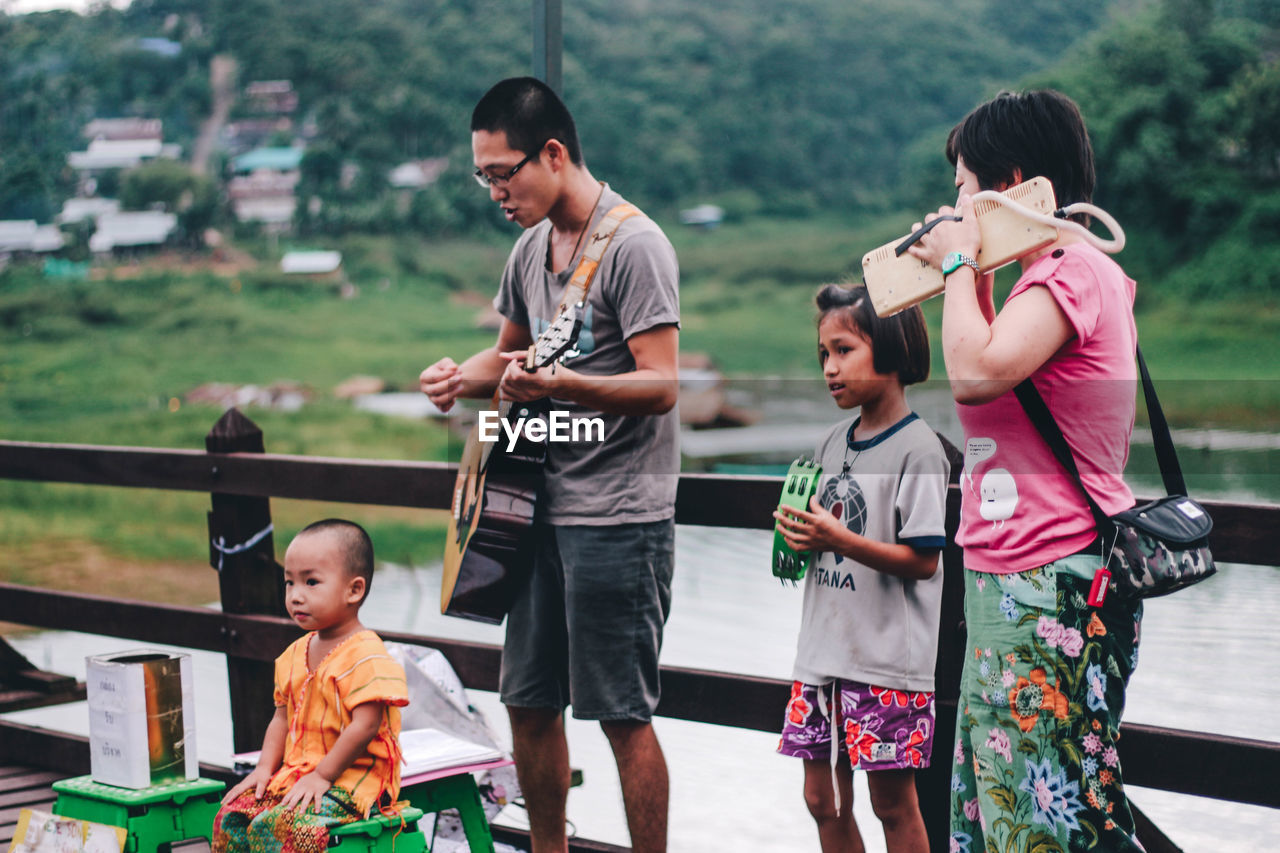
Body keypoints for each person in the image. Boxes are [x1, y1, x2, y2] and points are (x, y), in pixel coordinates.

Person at [419, 77, 679, 853]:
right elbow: (502, 354)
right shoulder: (530, 247)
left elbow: (662, 384)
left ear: (555, 153)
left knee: (622, 715)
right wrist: (452, 376)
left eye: (505, 173)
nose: (496, 192)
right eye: (484, 177)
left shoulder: (636, 244)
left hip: (618, 515)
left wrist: (564, 382)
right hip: (530, 510)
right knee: (527, 701)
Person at [906, 90, 1144, 852]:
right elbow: (980, 362)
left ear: (1007, 182)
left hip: (1054, 578)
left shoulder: (1072, 269)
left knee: (1046, 813)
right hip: (1011, 581)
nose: (956, 203)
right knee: (1000, 804)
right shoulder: (1034, 280)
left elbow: (976, 373)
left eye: (964, 187)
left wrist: (953, 259)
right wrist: (968, 272)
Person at [773, 284, 950, 853]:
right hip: (822, 654)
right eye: (824, 353)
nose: (830, 367)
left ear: (893, 349)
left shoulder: (919, 449)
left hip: (885, 662)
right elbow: (827, 537)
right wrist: (800, 539)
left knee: (891, 805)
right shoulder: (830, 443)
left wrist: (840, 539)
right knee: (822, 801)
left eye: (844, 350)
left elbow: (923, 561)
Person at [213, 520, 408, 853]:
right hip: (297, 773)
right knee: (233, 816)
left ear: (354, 590)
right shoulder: (293, 654)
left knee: (277, 826)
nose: (295, 596)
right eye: (289, 583)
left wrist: (323, 775)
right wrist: (263, 769)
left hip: (350, 781)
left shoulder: (365, 655)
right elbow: (281, 719)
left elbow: (366, 725)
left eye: (311, 582)